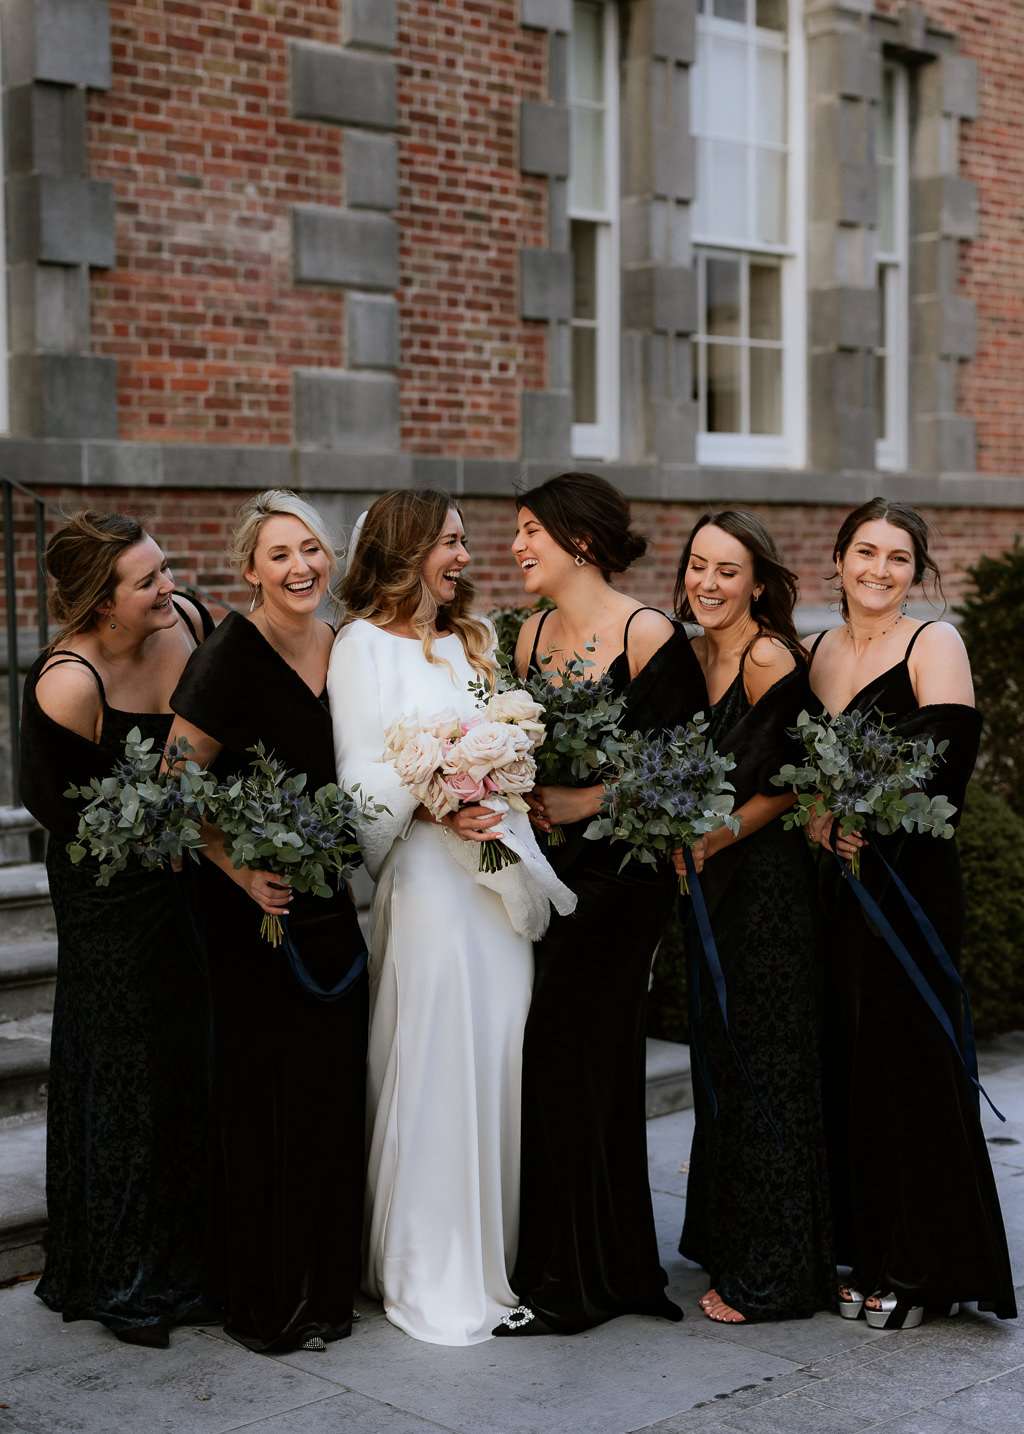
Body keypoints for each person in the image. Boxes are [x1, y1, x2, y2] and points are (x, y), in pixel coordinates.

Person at [496, 470, 706, 1337]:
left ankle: (569, 1280)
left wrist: (583, 802)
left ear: (578, 539)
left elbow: (680, 774)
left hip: (623, 877)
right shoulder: (527, 638)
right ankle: (602, 1259)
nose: (515, 548)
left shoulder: (649, 633)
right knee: (569, 1059)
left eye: (530, 532)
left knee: (563, 1049)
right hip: (541, 868)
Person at [327, 489, 535, 1346]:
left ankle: (496, 1254)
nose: (465, 557)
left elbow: (511, 739)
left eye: (464, 542)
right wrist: (437, 797)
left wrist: (502, 778)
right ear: (404, 550)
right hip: (426, 883)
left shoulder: (476, 643)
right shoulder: (358, 647)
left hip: (494, 878)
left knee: (499, 1045)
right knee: (437, 1051)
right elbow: (354, 776)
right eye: (449, 543)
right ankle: (428, 1265)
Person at [805, 497, 1016, 1329]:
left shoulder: (937, 644)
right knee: (849, 1065)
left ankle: (923, 1268)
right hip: (833, 886)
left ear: (918, 573)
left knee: (908, 1069)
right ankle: (863, 1247)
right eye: (865, 552)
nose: (879, 571)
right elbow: (802, 768)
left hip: (909, 884)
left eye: (898, 558)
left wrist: (866, 817)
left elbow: (948, 766)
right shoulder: (818, 650)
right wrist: (819, 811)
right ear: (840, 557)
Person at [168, 490, 368, 1355]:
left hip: (330, 903)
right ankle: (265, 1297)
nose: (301, 569)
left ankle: (326, 1290)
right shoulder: (227, 654)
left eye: (312, 551)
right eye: (280, 555)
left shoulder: (345, 645)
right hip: (252, 907)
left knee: (329, 1094)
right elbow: (176, 782)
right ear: (250, 569)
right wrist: (238, 867)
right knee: (265, 1100)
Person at [18, 511, 212, 1348]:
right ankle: (120, 1274)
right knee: (127, 1064)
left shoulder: (195, 624)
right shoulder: (68, 682)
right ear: (102, 601)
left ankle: (197, 1260)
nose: (169, 586)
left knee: (193, 1058)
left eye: (164, 567)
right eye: (148, 580)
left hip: (194, 876)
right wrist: (156, 841)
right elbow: (54, 808)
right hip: (108, 894)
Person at [670, 510, 834, 1325]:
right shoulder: (689, 652)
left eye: (726, 571)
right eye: (698, 565)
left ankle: (775, 1272)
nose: (707, 582)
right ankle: (728, 1236)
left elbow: (798, 779)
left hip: (765, 893)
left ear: (758, 583)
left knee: (765, 1062)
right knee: (721, 1060)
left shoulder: (770, 657)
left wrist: (715, 836)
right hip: (705, 890)